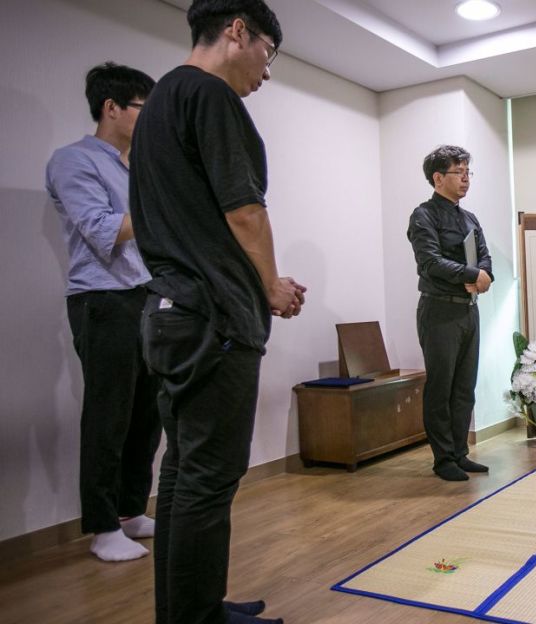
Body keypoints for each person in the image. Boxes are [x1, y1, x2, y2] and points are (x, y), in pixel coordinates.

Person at [130, 1, 304, 622]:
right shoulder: (210, 95)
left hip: (170, 312)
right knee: (209, 476)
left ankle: (186, 609)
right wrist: (270, 286)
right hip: (212, 317)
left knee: (183, 470)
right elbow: (243, 210)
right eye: (267, 53)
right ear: (237, 31)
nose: (266, 71)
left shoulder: (158, 106)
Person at [46, 62, 161, 563]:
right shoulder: (74, 161)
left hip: (147, 296)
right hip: (102, 300)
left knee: (148, 413)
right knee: (108, 415)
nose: (151, 116)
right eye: (143, 107)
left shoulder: (139, 166)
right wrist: (164, 212)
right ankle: (100, 527)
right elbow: (101, 229)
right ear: (111, 107)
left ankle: (131, 511)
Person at [407, 145, 493, 482]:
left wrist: (483, 276)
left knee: (464, 388)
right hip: (439, 311)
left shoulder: (469, 217)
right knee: (440, 388)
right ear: (438, 177)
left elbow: (484, 256)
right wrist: (472, 276)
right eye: (459, 172)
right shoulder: (423, 215)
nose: (466, 179)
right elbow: (429, 262)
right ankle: (443, 459)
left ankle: (460, 453)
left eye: (468, 172)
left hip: (468, 312)